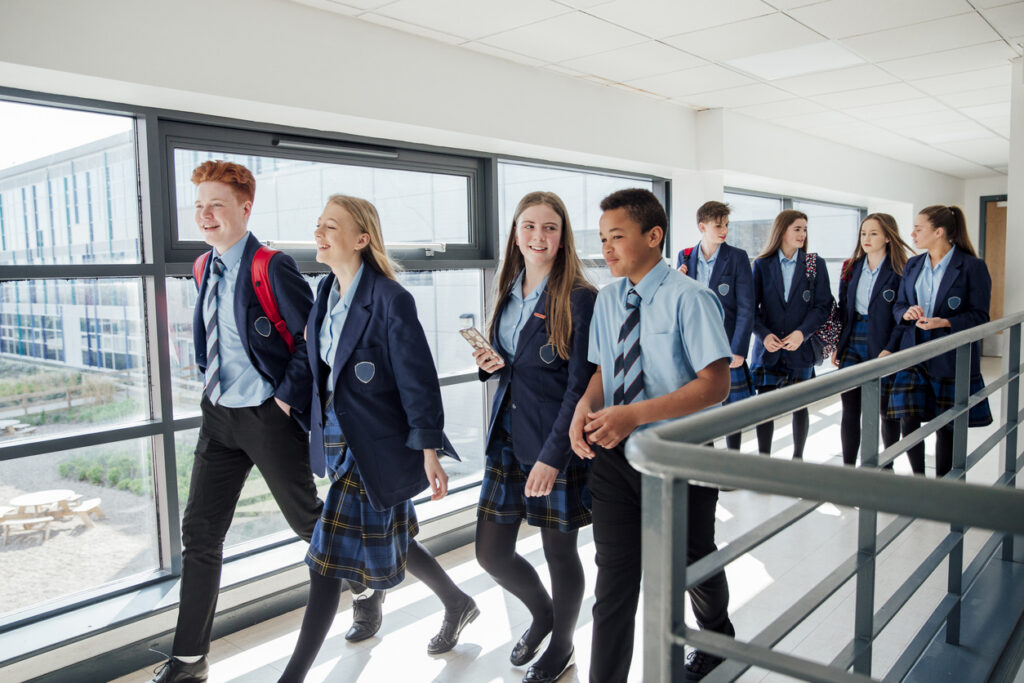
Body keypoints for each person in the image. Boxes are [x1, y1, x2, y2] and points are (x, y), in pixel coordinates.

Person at [277, 195, 477, 682]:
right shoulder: (325, 291)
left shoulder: (390, 298)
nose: (319, 233)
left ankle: (292, 676)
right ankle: (458, 602)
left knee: (323, 562)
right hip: (336, 441)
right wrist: (284, 399)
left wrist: (429, 450)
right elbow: (314, 359)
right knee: (396, 536)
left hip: (377, 447)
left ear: (361, 239)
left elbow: (418, 379)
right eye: (318, 224)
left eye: (330, 226)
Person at [153, 161, 322, 683]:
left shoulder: (271, 266)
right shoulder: (205, 267)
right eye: (199, 205)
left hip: (266, 417)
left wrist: (284, 404)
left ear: (245, 208)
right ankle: (189, 659)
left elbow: (308, 343)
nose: (205, 215)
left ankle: (369, 586)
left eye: (216, 204)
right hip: (218, 416)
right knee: (200, 533)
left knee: (309, 523)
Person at [569, 188, 734, 682]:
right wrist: (585, 406)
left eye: (617, 237)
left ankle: (717, 637)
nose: (607, 249)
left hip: (681, 455)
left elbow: (716, 385)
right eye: (602, 238)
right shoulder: (608, 299)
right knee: (614, 585)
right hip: (616, 457)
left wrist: (634, 414)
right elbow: (604, 372)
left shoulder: (691, 298)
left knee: (692, 560)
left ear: (653, 235)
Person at [473, 192, 597, 683]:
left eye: (549, 227)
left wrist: (553, 457)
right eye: (529, 227)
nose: (538, 237)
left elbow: (580, 388)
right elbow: (516, 361)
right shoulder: (508, 288)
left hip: (554, 442)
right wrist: (491, 365)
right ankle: (543, 614)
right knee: (491, 552)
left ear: (563, 235)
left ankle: (563, 644)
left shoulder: (580, 298)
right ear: (516, 233)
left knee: (558, 552)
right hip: (507, 435)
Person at [888, 205, 993, 477]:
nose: (912, 233)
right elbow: (899, 304)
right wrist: (906, 312)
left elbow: (981, 316)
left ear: (939, 231)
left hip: (950, 356)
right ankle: (920, 480)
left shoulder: (972, 266)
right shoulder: (913, 264)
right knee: (907, 419)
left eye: (918, 228)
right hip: (913, 352)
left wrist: (944, 322)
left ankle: (943, 485)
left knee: (947, 426)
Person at [750, 210, 832, 460]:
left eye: (805, 229)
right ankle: (764, 461)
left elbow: (823, 306)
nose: (802, 234)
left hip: (801, 348)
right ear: (782, 230)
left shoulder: (814, 264)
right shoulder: (762, 264)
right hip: (769, 349)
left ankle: (797, 460)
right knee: (764, 408)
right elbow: (750, 309)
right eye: (797, 228)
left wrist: (802, 334)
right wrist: (764, 336)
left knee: (800, 406)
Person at [833, 213, 911, 469]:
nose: (866, 238)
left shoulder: (901, 269)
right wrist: (838, 344)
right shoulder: (850, 267)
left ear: (888, 236)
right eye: (863, 233)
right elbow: (844, 310)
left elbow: (904, 316)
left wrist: (891, 348)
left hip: (885, 343)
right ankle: (848, 468)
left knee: (886, 412)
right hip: (853, 340)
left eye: (874, 233)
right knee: (850, 408)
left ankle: (885, 468)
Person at [676, 201, 754, 450]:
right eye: (718, 225)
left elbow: (746, 307)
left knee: (733, 409)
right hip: (694, 343)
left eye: (727, 225)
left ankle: (731, 464)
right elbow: (680, 302)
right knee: (699, 405)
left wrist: (739, 348)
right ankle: (706, 463)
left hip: (726, 342)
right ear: (702, 226)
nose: (724, 230)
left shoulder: (737, 257)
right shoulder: (685, 255)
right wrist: (676, 280)